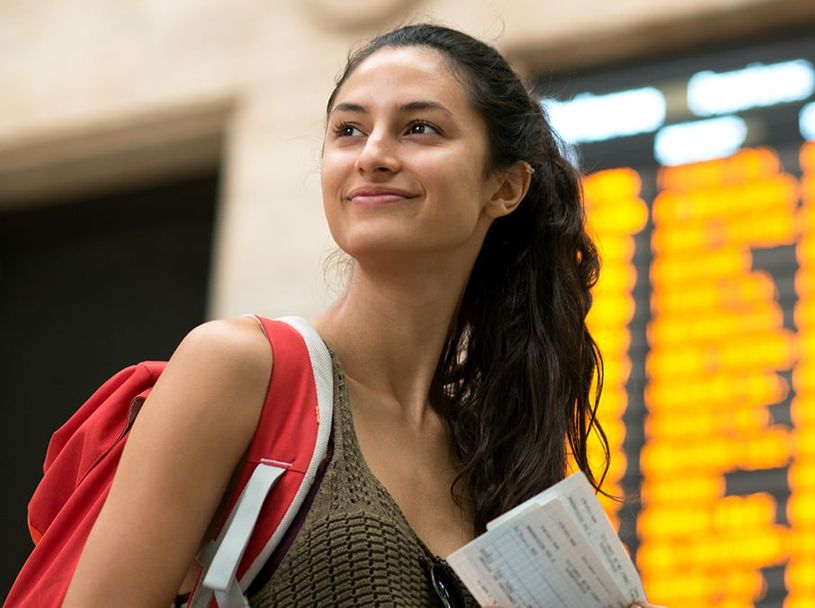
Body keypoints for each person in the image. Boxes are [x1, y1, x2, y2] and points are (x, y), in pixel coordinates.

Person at [62, 23, 662, 608]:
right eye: (349, 129)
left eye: (419, 128)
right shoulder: (240, 365)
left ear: (504, 188)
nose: (373, 155)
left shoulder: (495, 458)